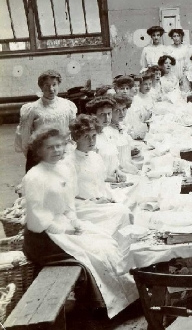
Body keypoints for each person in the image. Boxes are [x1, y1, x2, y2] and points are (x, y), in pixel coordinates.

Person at [22, 127, 138, 317]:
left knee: (106, 242)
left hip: (65, 225)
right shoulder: (34, 177)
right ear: (39, 150)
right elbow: (37, 219)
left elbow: (69, 204)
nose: (57, 150)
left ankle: (126, 299)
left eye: (59, 146)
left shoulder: (63, 169)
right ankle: (105, 305)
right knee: (96, 252)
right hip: (44, 237)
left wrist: (75, 223)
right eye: (50, 147)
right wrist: (65, 230)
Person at [66, 115, 131, 233]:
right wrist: (92, 202)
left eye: (94, 136)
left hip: (99, 202)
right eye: (86, 137)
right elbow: (68, 197)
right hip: (82, 208)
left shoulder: (95, 157)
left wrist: (108, 197)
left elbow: (100, 183)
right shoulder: (69, 162)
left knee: (129, 203)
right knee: (123, 212)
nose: (91, 141)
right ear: (76, 138)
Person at [16, 70, 78, 171]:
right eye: (46, 85)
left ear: (58, 85)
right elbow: (25, 136)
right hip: (41, 154)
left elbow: (73, 131)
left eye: (54, 84)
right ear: (41, 87)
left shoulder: (68, 106)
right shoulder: (31, 109)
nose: (51, 89)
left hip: (64, 152)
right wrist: (33, 156)